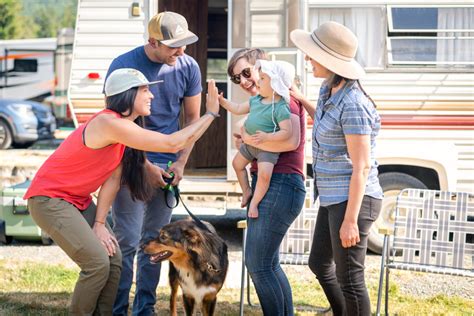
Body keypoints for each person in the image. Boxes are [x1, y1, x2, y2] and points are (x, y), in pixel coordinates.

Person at [23, 68, 220, 315]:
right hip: (49, 200)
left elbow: (113, 181)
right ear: (127, 95)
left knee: (113, 259)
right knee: (96, 263)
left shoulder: (124, 132)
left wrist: (100, 223)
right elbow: (173, 143)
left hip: (77, 201)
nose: (152, 96)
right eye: (145, 90)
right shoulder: (109, 123)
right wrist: (210, 114)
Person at [103, 12, 204, 315]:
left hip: (168, 163)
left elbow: (192, 122)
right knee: (128, 240)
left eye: (185, 45)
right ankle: (117, 309)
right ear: (152, 42)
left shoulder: (188, 67)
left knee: (155, 243)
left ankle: (144, 308)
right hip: (130, 163)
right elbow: (115, 125)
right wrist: (147, 166)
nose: (181, 52)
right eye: (174, 46)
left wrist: (181, 164)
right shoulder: (123, 66)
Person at [290, 21, 383, 316]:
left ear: (330, 61)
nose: (307, 58)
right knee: (319, 262)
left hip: (354, 199)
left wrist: (351, 220)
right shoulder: (327, 90)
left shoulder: (354, 103)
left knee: (351, 279)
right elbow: (330, 124)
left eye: (312, 54)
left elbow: (362, 166)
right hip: (333, 196)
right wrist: (302, 99)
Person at [226, 48, 306, 316]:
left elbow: (291, 139)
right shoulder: (265, 100)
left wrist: (249, 140)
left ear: (263, 68)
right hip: (276, 183)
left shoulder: (285, 99)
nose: (246, 81)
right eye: (238, 78)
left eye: (248, 73)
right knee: (269, 264)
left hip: (281, 183)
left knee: (258, 264)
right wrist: (248, 141)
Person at [219, 59, 295, 218]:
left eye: (262, 79)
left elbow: (287, 132)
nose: (258, 82)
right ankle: (246, 191)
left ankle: (254, 203)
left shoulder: (281, 107)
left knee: (264, 175)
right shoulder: (256, 100)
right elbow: (238, 109)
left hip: (267, 150)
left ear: (275, 83)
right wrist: (223, 102)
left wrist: (268, 136)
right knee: (236, 164)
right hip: (250, 145)